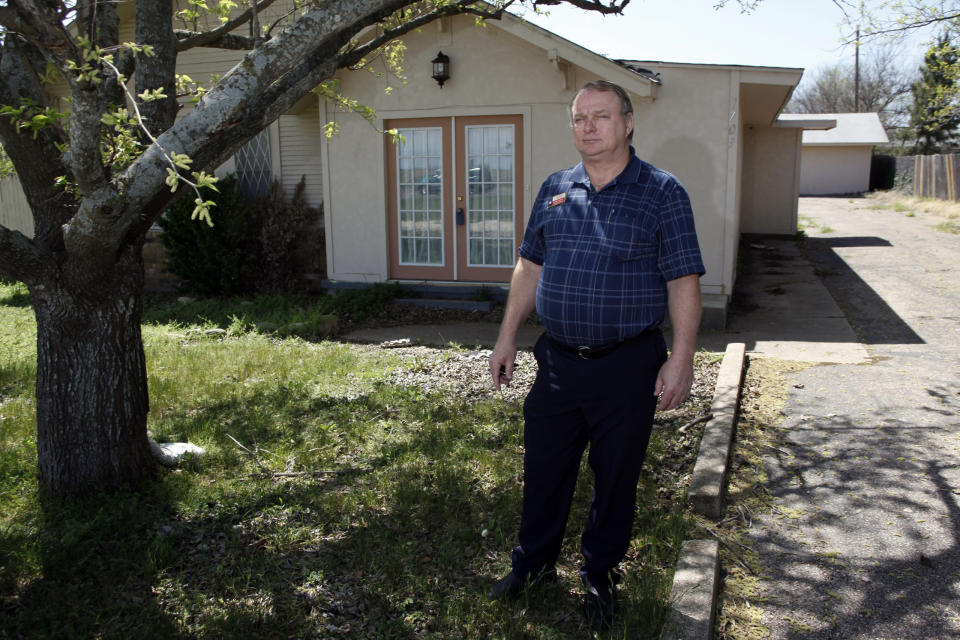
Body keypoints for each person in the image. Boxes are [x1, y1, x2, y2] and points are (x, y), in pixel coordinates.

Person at [486, 80, 705, 629]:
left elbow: (683, 281)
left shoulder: (662, 192)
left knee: (615, 477)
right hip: (557, 362)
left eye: (601, 116)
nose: (588, 126)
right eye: (580, 117)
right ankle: (532, 567)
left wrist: (681, 359)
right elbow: (529, 266)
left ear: (628, 123)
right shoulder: (556, 188)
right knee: (543, 471)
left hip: (627, 366)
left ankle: (599, 574)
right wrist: (507, 334)